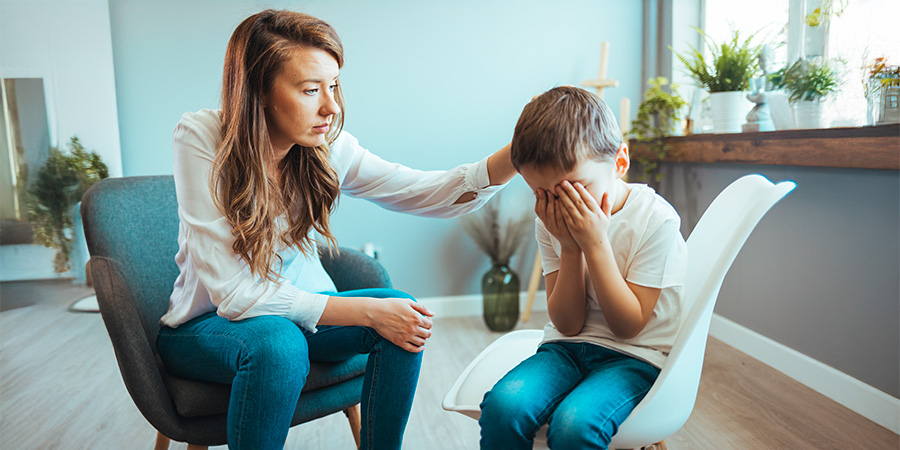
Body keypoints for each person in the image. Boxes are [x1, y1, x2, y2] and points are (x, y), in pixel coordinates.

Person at [155, 10, 516, 450]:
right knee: (280, 342)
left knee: (403, 313)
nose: (331, 107)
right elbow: (235, 294)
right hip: (206, 327)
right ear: (259, 91)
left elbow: (425, 191)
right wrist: (365, 312)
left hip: (295, 317)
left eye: (334, 86)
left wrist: (516, 155)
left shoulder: (326, 146)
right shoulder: (200, 137)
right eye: (311, 90)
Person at [478, 86, 688, 450]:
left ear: (620, 162)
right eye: (542, 194)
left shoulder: (655, 220)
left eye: (575, 189)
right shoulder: (550, 220)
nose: (562, 206)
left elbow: (627, 326)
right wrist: (570, 249)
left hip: (635, 357)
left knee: (575, 426)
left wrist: (594, 243)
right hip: (567, 347)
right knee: (502, 407)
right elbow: (567, 324)